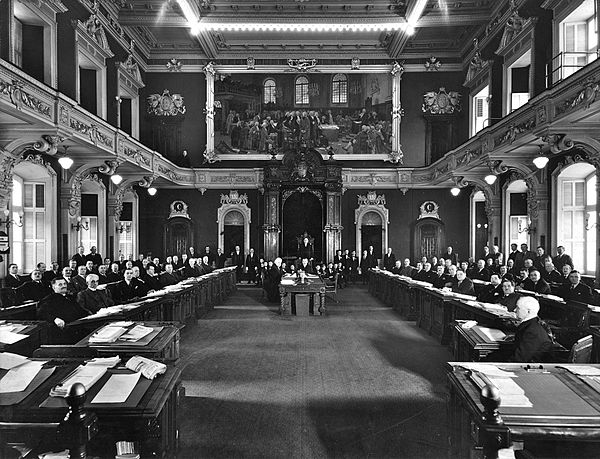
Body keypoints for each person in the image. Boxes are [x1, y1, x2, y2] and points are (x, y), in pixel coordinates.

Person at [38, 278, 89, 342]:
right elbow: (41, 312)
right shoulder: (48, 299)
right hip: (65, 331)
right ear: (53, 287)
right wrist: (54, 319)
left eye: (65, 284)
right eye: (60, 284)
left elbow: (80, 310)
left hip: (78, 325)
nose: (64, 286)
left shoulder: (70, 297)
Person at [509, 296, 553, 362]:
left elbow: (519, 359)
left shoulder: (532, 331)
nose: (514, 310)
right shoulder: (531, 323)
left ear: (528, 311)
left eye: (518, 308)